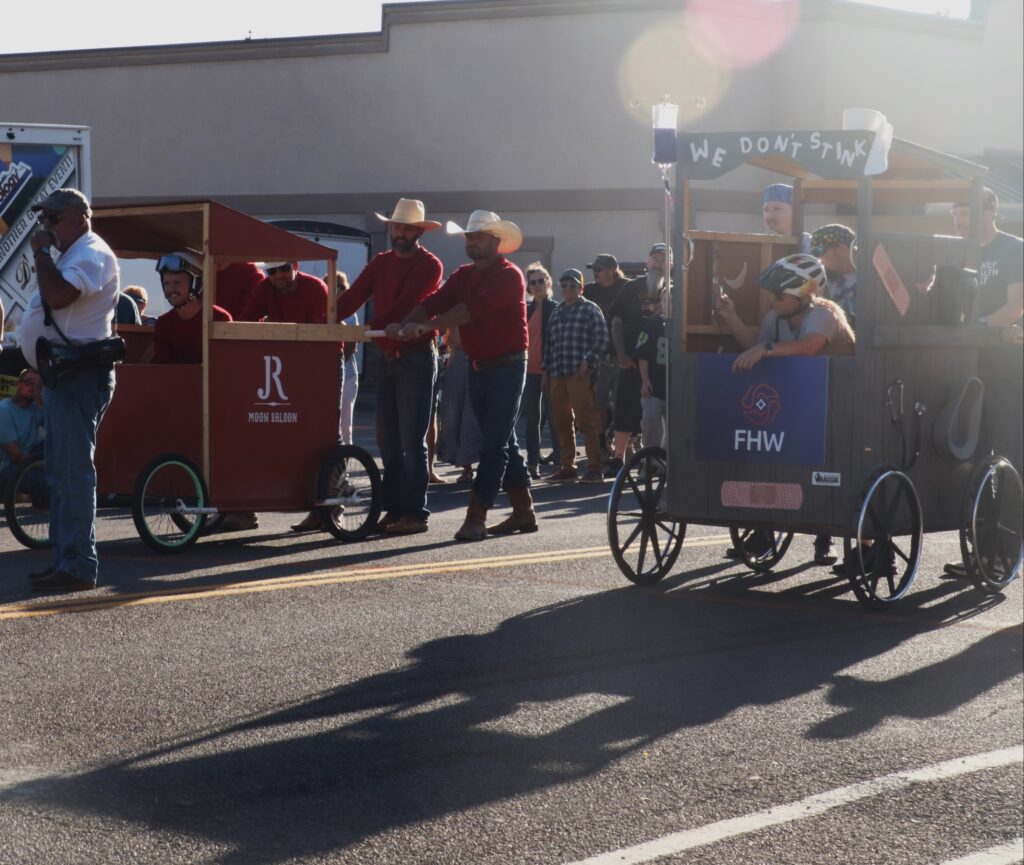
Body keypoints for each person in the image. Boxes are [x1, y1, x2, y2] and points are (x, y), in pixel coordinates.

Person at [392, 209, 533, 540]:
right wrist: (407, 321)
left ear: (495, 242)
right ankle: (523, 509)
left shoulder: (509, 275)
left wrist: (425, 325)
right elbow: (435, 300)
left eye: (478, 236)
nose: (471, 242)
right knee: (502, 440)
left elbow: (469, 311)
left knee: (493, 444)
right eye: (469, 237)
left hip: (508, 366)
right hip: (479, 365)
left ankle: (476, 516)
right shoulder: (464, 275)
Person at [311, 198, 443, 536]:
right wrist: (319, 322)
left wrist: (361, 328)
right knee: (387, 440)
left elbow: (406, 306)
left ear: (418, 233)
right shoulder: (381, 263)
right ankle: (396, 509)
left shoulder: (431, 266)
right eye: (396, 226)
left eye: (406, 228)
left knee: (412, 441)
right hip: (387, 356)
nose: (399, 232)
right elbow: (353, 297)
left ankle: (415, 513)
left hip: (415, 356)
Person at [715, 252, 855, 566]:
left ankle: (825, 538)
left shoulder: (824, 313)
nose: (772, 300)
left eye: (779, 294)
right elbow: (755, 343)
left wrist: (764, 349)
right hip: (798, 404)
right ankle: (764, 531)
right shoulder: (774, 318)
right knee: (770, 461)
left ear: (804, 293)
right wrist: (732, 317)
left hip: (839, 404)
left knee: (828, 470)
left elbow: (809, 347)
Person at [19, 188, 118, 593]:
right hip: (64, 374)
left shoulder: (92, 252)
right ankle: (66, 560)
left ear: (79, 217)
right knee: (61, 472)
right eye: (44, 220)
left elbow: (60, 296)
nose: (48, 227)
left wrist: (41, 253)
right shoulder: (73, 254)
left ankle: (77, 564)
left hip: (80, 376)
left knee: (74, 473)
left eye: (54, 219)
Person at [605, 243, 667, 477]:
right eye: (655, 258)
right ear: (647, 260)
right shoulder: (631, 288)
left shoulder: (676, 287)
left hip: (663, 367)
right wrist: (621, 355)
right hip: (631, 362)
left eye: (663, 259)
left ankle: (656, 461)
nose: (658, 263)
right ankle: (618, 458)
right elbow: (616, 322)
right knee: (624, 410)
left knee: (658, 417)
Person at [543, 268, 609, 484]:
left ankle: (594, 467)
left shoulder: (590, 309)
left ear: (581, 288)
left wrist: (588, 360)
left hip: (580, 374)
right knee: (562, 422)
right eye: (564, 285)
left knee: (586, 421)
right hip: (558, 373)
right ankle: (568, 466)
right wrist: (547, 370)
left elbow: (601, 338)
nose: (568, 289)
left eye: (572, 285)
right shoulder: (556, 312)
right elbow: (549, 344)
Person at [952, 188, 1023, 325]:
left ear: (989, 214)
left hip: (1004, 343)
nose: (958, 222)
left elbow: (1016, 306)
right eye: (954, 214)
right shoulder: (956, 253)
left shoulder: (1016, 248)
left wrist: (979, 327)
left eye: (965, 213)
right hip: (967, 343)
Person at [584, 253, 629, 461]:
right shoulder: (590, 291)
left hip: (622, 356)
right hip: (599, 356)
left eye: (599, 270)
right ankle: (602, 445)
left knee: (623, 404)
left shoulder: (626, 287)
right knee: (599, 404)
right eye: (594, 270)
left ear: (611, 269)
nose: (595, 274)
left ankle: (626, 446)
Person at [152, 253, 232, 364]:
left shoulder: (219, 318)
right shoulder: (164, 323)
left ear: (196, 284)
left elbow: (225, 366)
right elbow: (161, 369)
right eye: (166, 283)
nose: (170, 289)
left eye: (177, 282)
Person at [522, 262, 559, 478]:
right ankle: (533, 463)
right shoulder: (525, 310)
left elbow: (557, 342)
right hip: (527, 371)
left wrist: (549, 369)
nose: (537, 285)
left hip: (551, 371)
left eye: (540, 281)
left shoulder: (555, 308)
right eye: (532, 282)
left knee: (556, 418)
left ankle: (559, 463)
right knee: (531, 421)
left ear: (548, 283)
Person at [436, 326, 481, 485]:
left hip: (478, 357)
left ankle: (473, 464)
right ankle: (466, 466)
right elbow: (452, 335)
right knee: (453, 412)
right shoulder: (456, 307)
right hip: (459, 360)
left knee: (473, 413)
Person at [0, 369, 45, 498]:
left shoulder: (36, 408)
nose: (33, 388)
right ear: (18, 384)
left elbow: (58, 427)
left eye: (38, 385)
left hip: (26, 459)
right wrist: (46, 467)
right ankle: (43, 512)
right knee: (45, 481)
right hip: (6, 468)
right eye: (29, 382)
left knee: (56, 443)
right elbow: (15, 456)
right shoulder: (4, 410)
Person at [240, 261, 328, 324]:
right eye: (272, 270)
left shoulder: (316, 288)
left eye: (284, 268)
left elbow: (324, 328)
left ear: (295, 266)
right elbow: (246, 320)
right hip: (280, 347)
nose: (278, 275)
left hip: (314, 346)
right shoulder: (264, 287)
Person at [634, 287, 668, 450]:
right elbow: (643, 355)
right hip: (654, 385)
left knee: (672, 430)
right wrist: (645, 381)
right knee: (650, 420)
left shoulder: (683, 325)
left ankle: (666, 465)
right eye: (666, 299)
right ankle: (649, 461)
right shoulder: (653, 323)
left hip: (674, 388)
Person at [810, 224, 857, 328]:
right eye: (813, 253)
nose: (817, 258)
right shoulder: (820, 282)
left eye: (819, 251)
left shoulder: (868, 281)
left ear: (842, 249)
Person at [332, 270, 360, 446]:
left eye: (338, 286)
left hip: (347, 375)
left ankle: (343, 471)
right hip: (324, 377)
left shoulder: (350, 314)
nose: (334, 290)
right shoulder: (320, 311)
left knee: (345, 424)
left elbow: (350, 346)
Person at [762, 183, 811, 253]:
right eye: (766, 210)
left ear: (795, 211)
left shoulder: (809, 244)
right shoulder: (761, 244)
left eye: (777, 209)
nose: (769, 216)